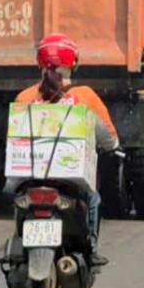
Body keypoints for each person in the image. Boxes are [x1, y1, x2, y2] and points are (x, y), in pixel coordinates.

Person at [15, 33, 121, 268]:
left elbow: (14, 136)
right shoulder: (84, 96)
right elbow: (108, 136)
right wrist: (114, 147)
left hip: (30, 176)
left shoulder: (24, 98)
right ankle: (91, 249)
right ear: (72, 63)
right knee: (93, 198)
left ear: (40, 62)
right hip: (71, 178)